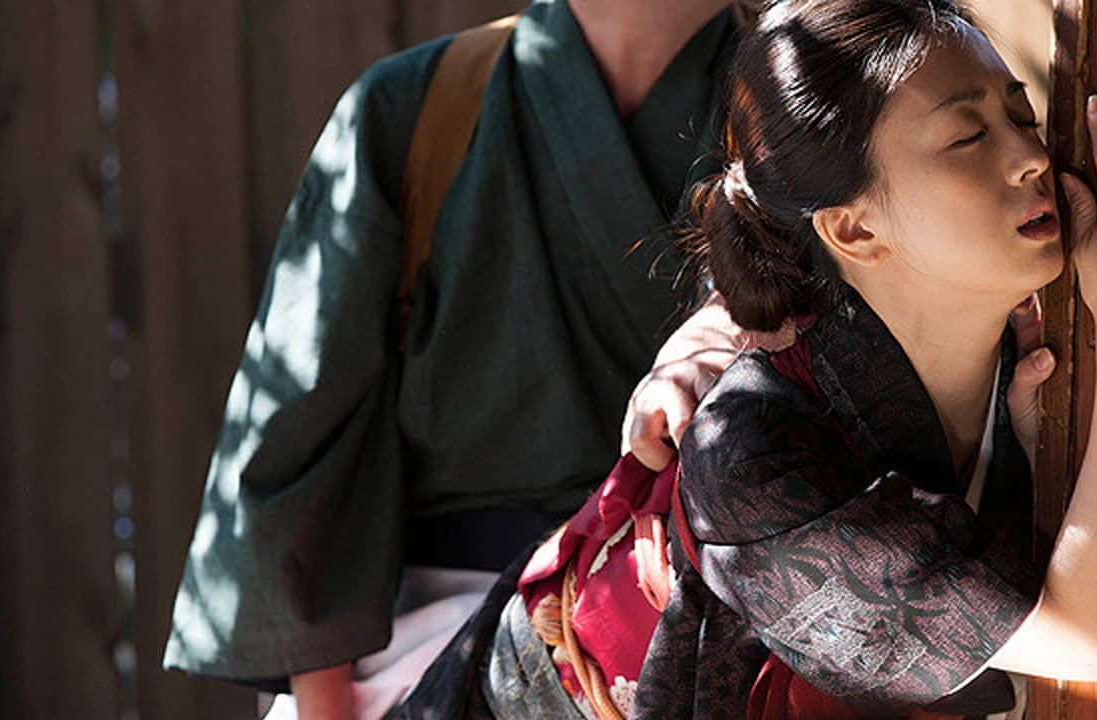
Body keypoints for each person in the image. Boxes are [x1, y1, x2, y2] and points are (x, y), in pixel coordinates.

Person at [397, 0, 1097, 717]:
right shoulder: (757, 457)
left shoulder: (1022, 358)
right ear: (852, 229)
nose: (1030, 156)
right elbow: (1094, 638)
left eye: (1022, 116)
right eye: (967, 136)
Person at [162, 1, 764, 718]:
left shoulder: (803, 106)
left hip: (706, 630)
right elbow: (298, 436)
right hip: (419, 643)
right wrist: (326, 705)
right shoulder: (418, 108)